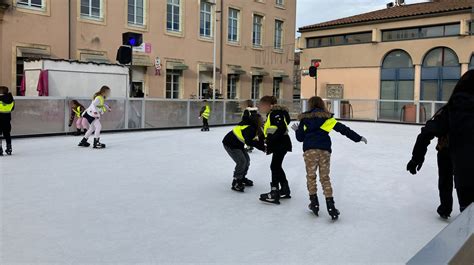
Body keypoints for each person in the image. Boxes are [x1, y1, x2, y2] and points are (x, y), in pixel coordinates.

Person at [407, 70, 474, 213]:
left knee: (445, 178)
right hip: (449, 150)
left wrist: (416, 159)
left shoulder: (450, 109)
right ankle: (445, 208)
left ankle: (445, 208)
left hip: (453, 156)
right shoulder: (451, 110)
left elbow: (426, 133)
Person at [293, 96, 367, 220]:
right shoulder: (327, 119)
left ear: (310, 105)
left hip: (310, 150)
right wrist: (358, 138)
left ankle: (314, 203)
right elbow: (343, 130)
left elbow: (300, 138)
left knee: (311, 176)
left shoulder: (305, 119)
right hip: (324, 150)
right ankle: (330, 205)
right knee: (325, 178)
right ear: (322, 104)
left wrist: (297, 130)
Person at [258, 96, 292, 204]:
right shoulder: (273, 114)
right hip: (280, 144)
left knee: (274, 166)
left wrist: (271, 140)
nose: (260, 107)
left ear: (269, 105)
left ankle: (274, 192)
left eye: (262, 105)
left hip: (280, 144)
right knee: (276, 166)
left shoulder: (276, 113)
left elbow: (281, 127)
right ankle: (285, 189)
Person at [222, 111, 265, 192]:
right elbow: (249, 142)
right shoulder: (250, 128)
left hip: (238, 144)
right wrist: (262, 148)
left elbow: (260, 138)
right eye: (261, 119)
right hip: (230, 144)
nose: (263, 120)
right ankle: (236, 182)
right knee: (242, 161)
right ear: (256, 121)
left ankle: (242, 178)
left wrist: (264, 147)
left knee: (247, 161)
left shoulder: (256, 127)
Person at [0, 86, 15, 156]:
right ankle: (9, 148)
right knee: (7, 134)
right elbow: (12, 108)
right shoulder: (11, 99)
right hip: (7, 119)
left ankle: (0, 149)